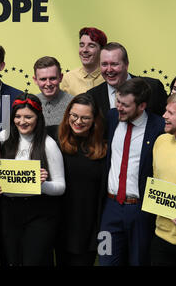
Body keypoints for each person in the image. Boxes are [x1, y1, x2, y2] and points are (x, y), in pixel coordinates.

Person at [0, 93, 65, 266]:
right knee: (10, 260)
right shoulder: (2, 138)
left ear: (38, 118)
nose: (22, 121)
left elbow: (61, 187)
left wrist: (41, 185)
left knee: (34, 261)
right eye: (17, 116)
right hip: (8, 212)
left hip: (39, 214)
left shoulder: (48, 144)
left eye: (28, 117)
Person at [99, 78, 165, 266]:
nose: (119, 107)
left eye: (125, 105)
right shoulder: (111, 117)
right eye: (117, 102)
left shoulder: (159, 127)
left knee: (139, 261)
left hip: (139, 211)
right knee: (106, 259)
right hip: (110, 210)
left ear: (142, 105)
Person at [55, 93, 107, 266]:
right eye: (74, 116)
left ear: (94, 120)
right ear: (68, 115)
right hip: (61, 223)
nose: (78, 122)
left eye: (85, 118)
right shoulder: (55, 141)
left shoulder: (104, 148)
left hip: (90, 226)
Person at [87, 42, 167, 122]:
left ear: (126, 64)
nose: (109, 70)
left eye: (114, 64)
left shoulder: (153, 87)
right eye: (104, 64)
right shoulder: (92, 97)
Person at [150, 93, 176, 265]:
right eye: (165, 111)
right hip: (160, 237)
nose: (164, 116)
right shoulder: (161, 141)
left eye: (171, 113)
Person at [33, 56, 73, 138]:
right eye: (43, 79)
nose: (48, 84)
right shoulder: (30, 103)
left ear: (61, 77)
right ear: (35, 80)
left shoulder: (73, 104)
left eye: (52, 78)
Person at [61, 27, 107, 96]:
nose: (85, 50)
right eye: (82, 45)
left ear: (102, 50)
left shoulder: (109, 77)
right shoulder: (68, 78)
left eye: (91, 46)